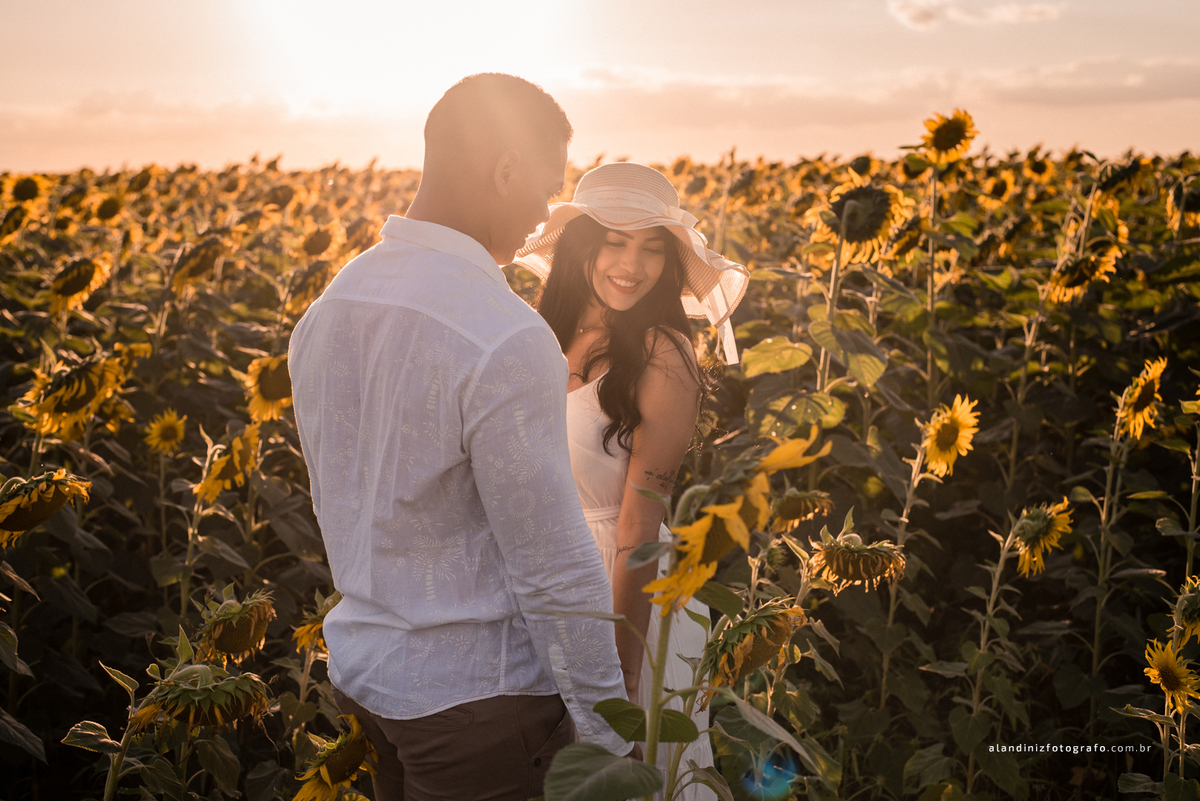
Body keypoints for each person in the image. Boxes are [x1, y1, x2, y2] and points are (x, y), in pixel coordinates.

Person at [288, 74, 631, 801]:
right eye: (545, 188)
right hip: (481, 701)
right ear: (505, 170)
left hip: (371, 680)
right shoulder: (502, 332)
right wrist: (609, 733)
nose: (545, 216)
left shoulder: (331, 306)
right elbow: (551, 563)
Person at [515, 162, 749, 799]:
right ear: (581, 246)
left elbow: (639, 526)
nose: (632, 264)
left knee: (628, 775)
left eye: (652, 247)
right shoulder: (542, 335)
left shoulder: (661, 352)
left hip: (622, 595)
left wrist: (619, 664)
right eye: (614, 241)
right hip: (539, 584)